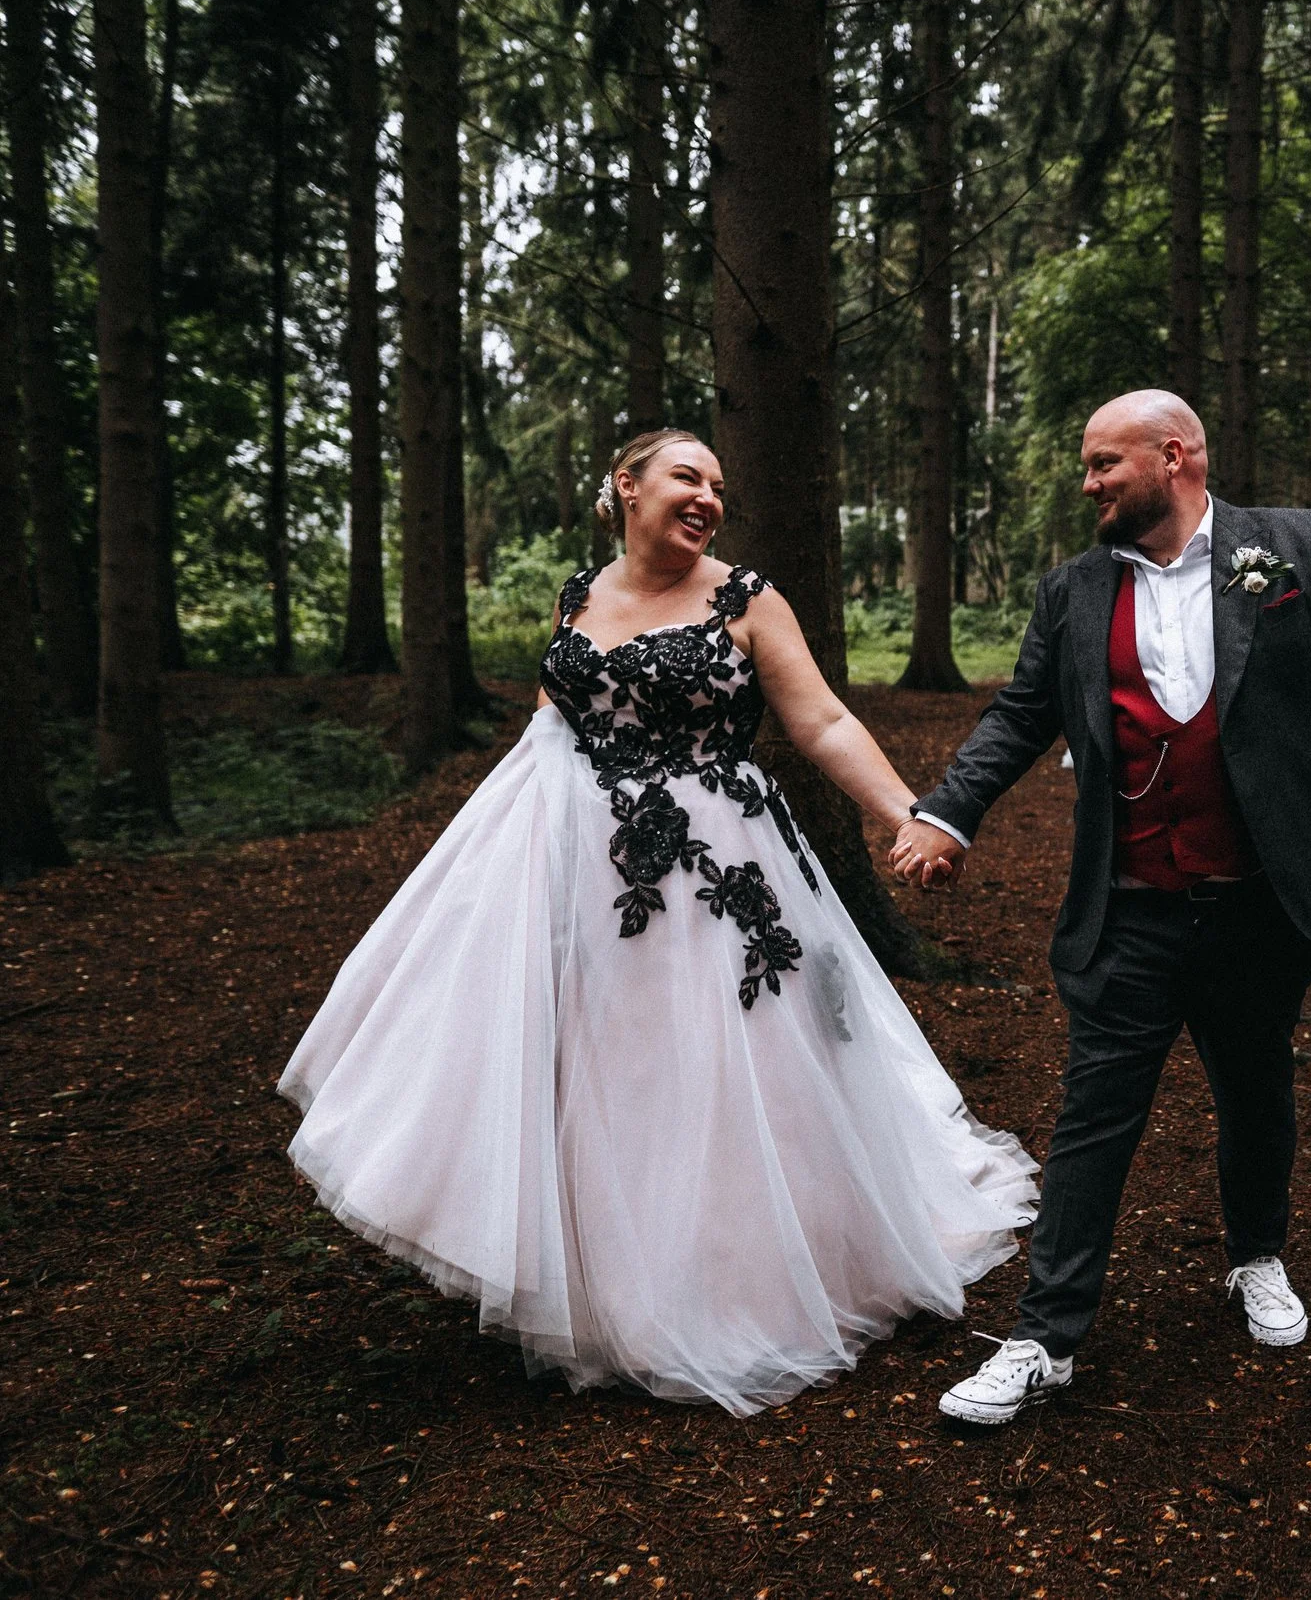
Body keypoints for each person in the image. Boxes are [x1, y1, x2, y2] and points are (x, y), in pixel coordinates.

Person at [278, 430, 1036, 1416]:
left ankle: (743, 1283)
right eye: (688, 476)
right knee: (617, 1070)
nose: (708, 497)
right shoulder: (576, 593)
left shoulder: (748, 598)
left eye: (719, 484)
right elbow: (550, 733)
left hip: (725, 864)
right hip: (593, 870)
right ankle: (612, 1294)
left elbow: (823, 722)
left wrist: (908, 812)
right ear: (626, 488)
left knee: (736, 1066)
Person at [889, 391, 1311, 1425]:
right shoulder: (1072, 590)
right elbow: (1022, 711)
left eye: (1105, 462)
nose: (1089, 481)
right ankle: (1044, 1335)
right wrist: (949, 812)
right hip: (1134, 904)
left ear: (1176, 453)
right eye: (1087, 465)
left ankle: (1256, 1256)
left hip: (1261, 901)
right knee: (1094, 1115)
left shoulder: (1284, 545)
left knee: (1254, 1089)